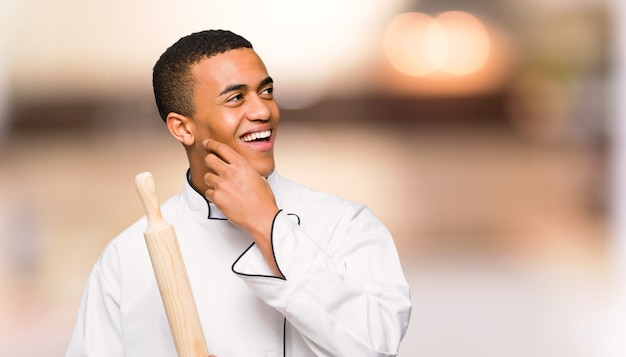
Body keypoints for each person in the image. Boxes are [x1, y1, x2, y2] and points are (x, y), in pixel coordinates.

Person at [65, 29, 411, 356]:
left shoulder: (345, 225)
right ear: (183, 128)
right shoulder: (125, 259)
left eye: (266, 91)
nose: (263, 111)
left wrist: (266, 223)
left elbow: (374, 346)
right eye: (236, 98)